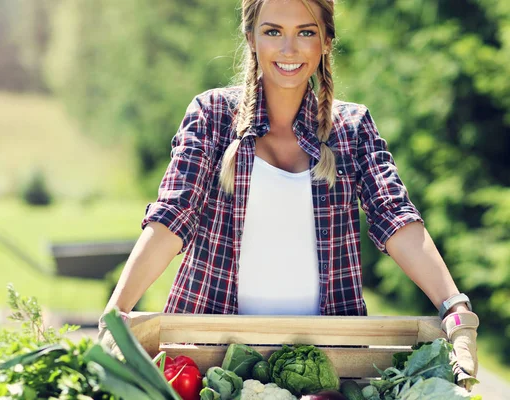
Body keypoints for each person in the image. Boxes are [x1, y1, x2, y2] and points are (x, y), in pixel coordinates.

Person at [99, 0, 479, 389]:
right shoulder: (212, 116)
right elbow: (172, 218)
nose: (289, 49)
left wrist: (454, 306)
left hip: (327, 366)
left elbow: (395, 217)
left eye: (306, 32)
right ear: (251, 39)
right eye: (273, 31)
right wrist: (117, 311)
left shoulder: (352, 128)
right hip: (208, 360)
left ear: (327, 41)